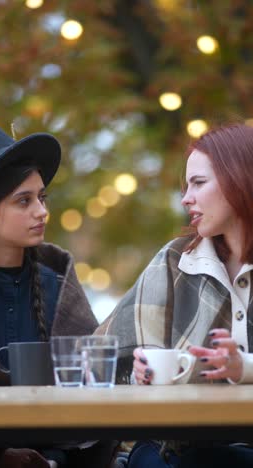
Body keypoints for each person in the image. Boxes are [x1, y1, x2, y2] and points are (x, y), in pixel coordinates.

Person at [96, 123, 253, 467]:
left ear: (240, 177)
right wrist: (138, 372)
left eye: (198, 183)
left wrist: (243, 367)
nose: (186, 198)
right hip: (176, 449)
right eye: (186, 186)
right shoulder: (175, 261)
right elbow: (102, 357)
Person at [0, 126, 116, 468]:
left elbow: (97, 399)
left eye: (42, 198)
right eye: (24, 200)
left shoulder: (59, 288)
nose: (42, 212)